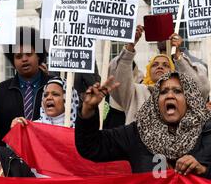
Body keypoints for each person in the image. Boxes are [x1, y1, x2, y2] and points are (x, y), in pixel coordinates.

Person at [76, 72, 211, 178]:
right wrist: (88, 109)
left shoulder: (207, 131)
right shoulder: (138, 132)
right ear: (155, 101)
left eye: (177, 91)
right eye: (163, 92)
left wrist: (203, 170)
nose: (170, 95)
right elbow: (91, 146)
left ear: (190, 99)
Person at [109, 25, 210, 124]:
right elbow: (118, 83)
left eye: (166, 65)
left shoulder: (182, 92)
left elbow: (201, 90)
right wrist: (130, 46)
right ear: (148, 71)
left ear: (173, 71)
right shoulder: (136, 92)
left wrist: (178, 55)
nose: (160, 67)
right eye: (155, 64)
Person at [0, 26, 52, 145]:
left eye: (29, 54)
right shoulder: (0, 91)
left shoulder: (55, 87)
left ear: (39, 56)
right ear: (13, 61)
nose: (24, 59)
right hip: (11, 159)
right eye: (18, 56)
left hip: (46, 155)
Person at [10, 77, 79, 128]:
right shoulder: (33, 128)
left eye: (55, 94)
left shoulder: (79, 131)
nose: (48, 98)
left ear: (67, 99)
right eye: (45, 95)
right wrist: (15, 130)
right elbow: (15, 147)